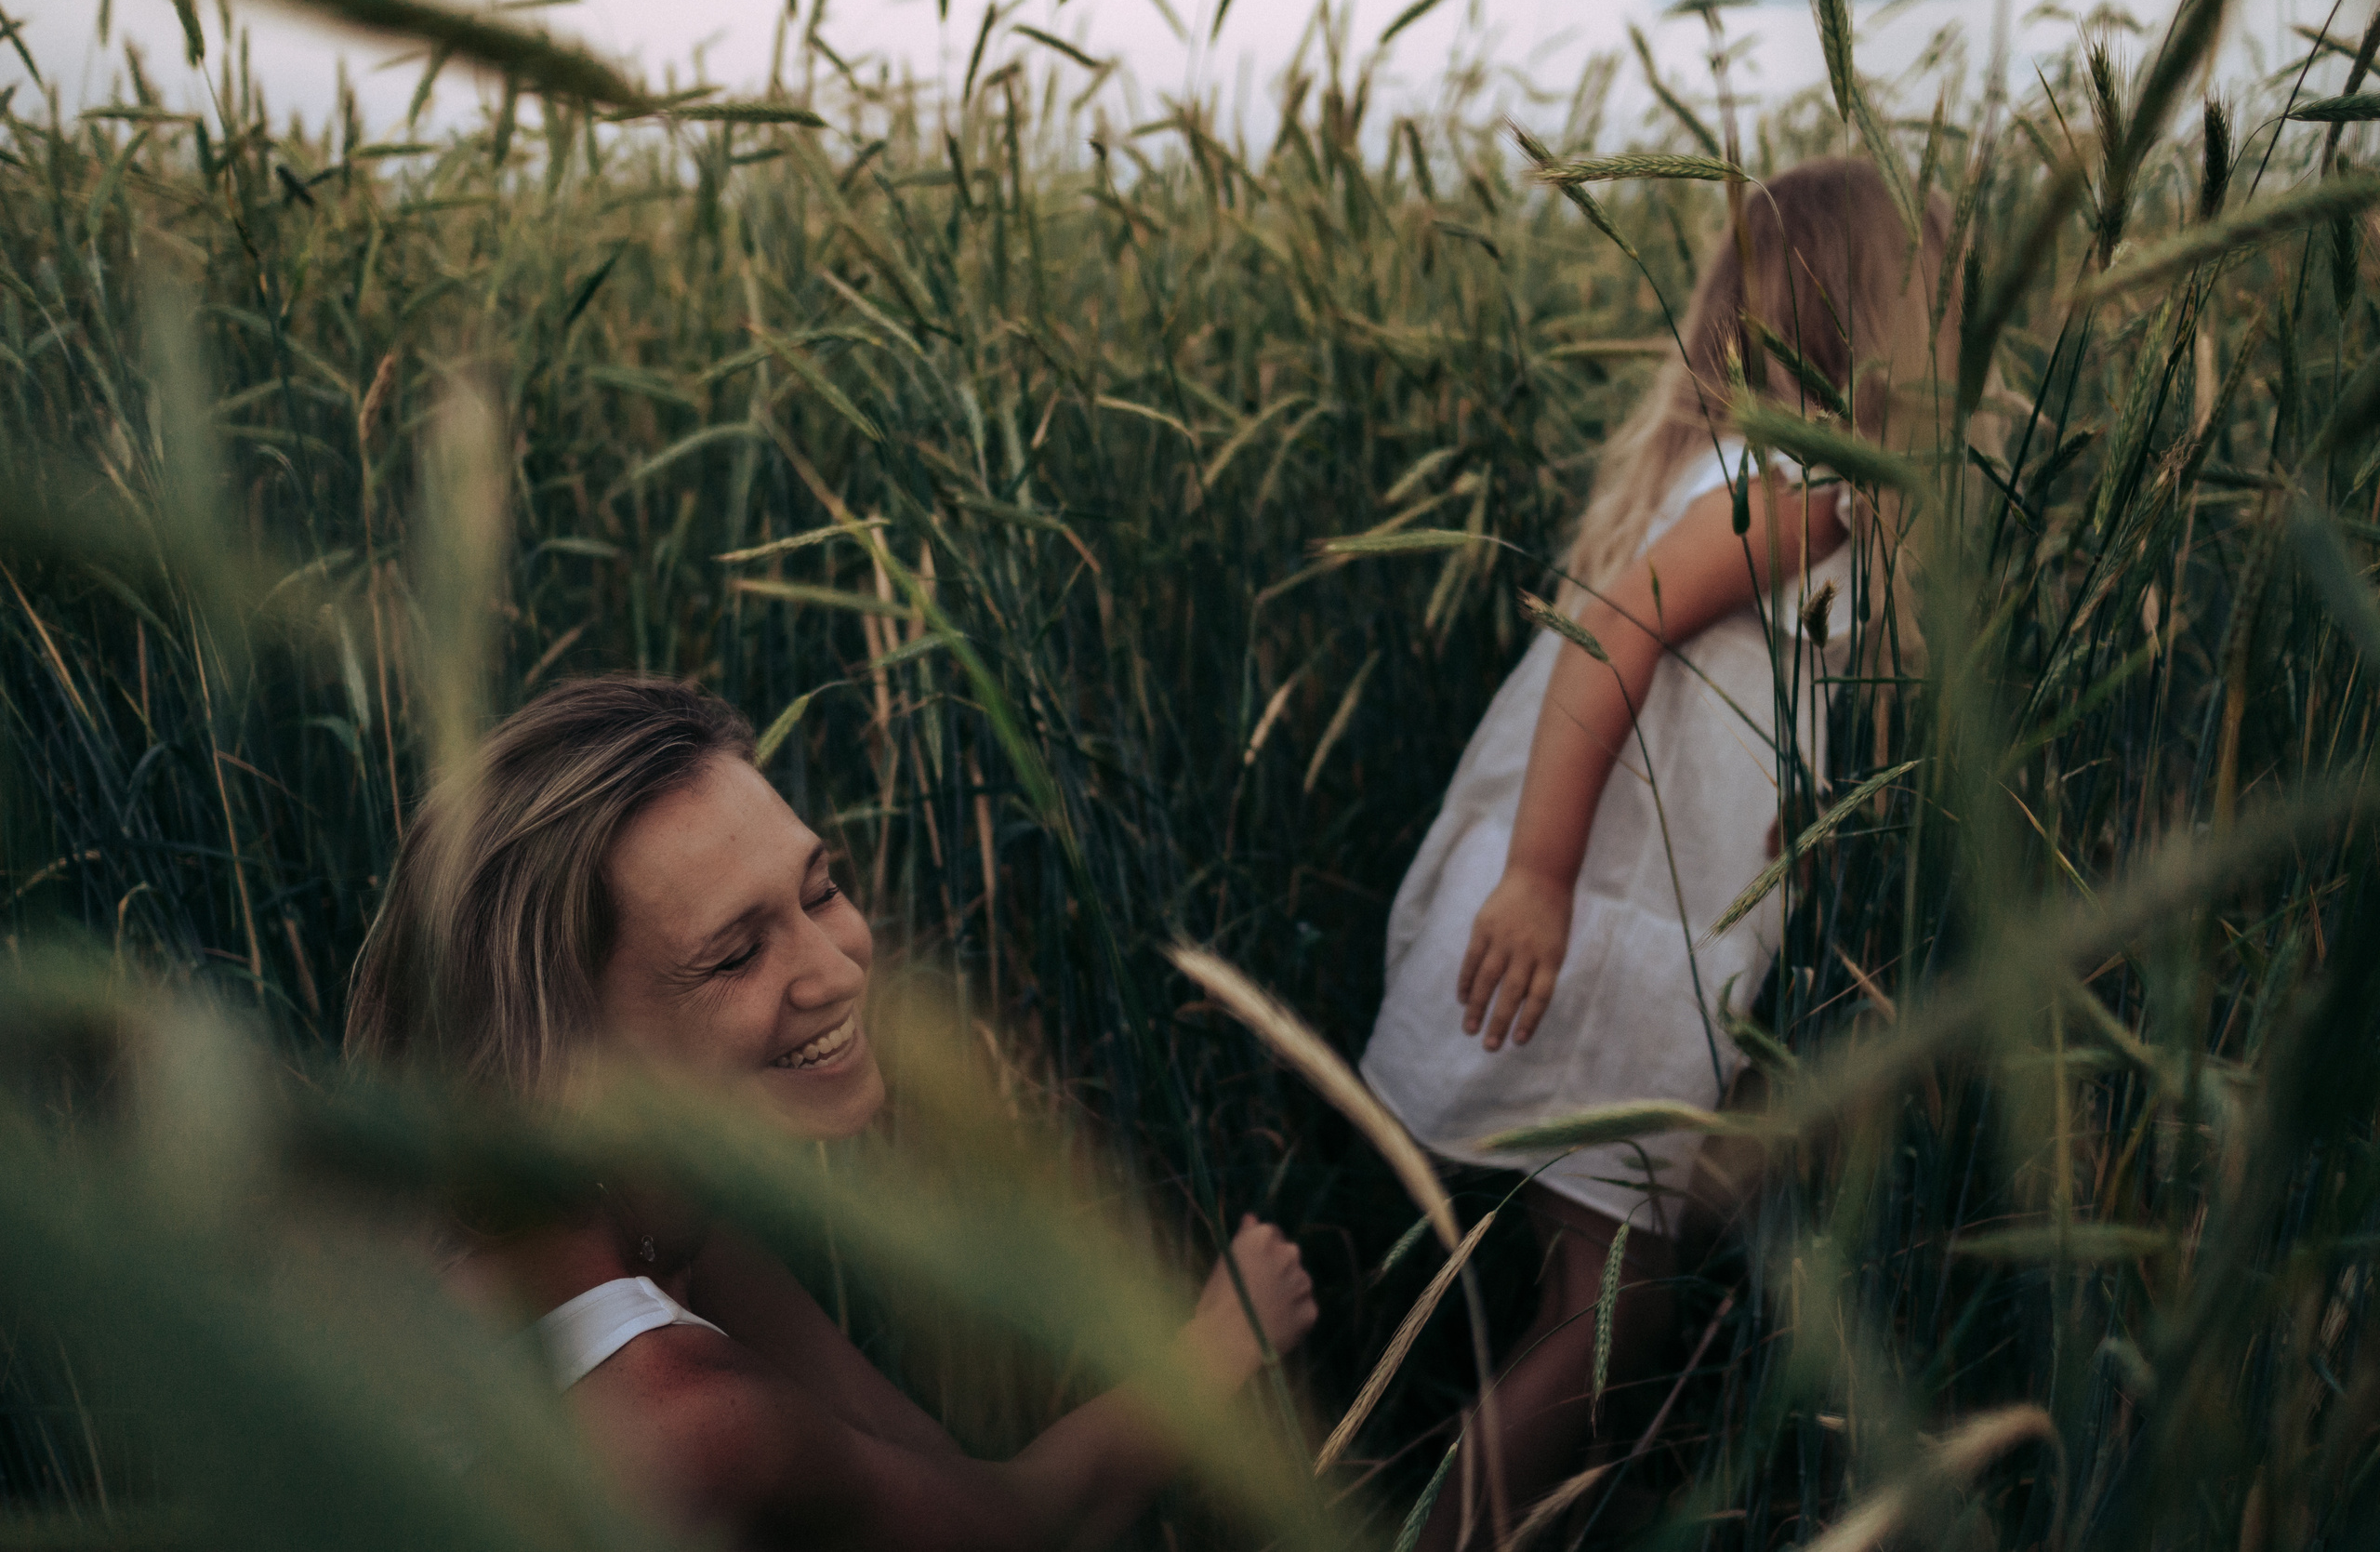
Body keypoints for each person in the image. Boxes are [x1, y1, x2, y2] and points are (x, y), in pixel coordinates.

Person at [345, 676, 1316, 1550]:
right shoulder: (685, 1419)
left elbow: (920, 1461)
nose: (834, 967)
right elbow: (1010, 1531)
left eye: (822, 890)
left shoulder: (619, 1219)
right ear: (566, 1055)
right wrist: (1218, 1350)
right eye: (732, 957)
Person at [1358, 156, 1959, 1545]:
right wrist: (1541, 876)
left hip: (1641, 923)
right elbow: (1610, 628)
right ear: (1871, 313)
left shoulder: (1744, 463)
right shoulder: (1813, 484)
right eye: (1938, 300)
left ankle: (1519, 1510)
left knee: (1606, 1283)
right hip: (1614, 926)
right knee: (1615, 1309)